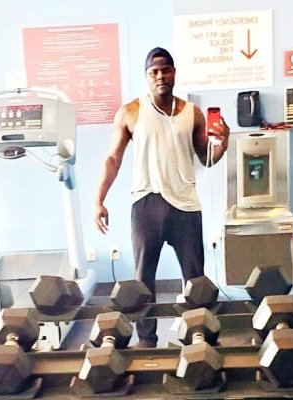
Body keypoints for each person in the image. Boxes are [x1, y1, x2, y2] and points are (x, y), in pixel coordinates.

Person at [94, 47, 229, 348]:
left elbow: (206, 158)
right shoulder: (130, 112)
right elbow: (112, 159)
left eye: (165, 70)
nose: (160, 76)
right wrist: (99, 200)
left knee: (195, 279)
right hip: (147, 203)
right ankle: (147, 340)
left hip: (186, 205)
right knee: (143, 280)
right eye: (153, 72)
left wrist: (223, 143)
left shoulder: (192, 113)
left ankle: (197, 336)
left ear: (174, 73)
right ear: (146, 76)